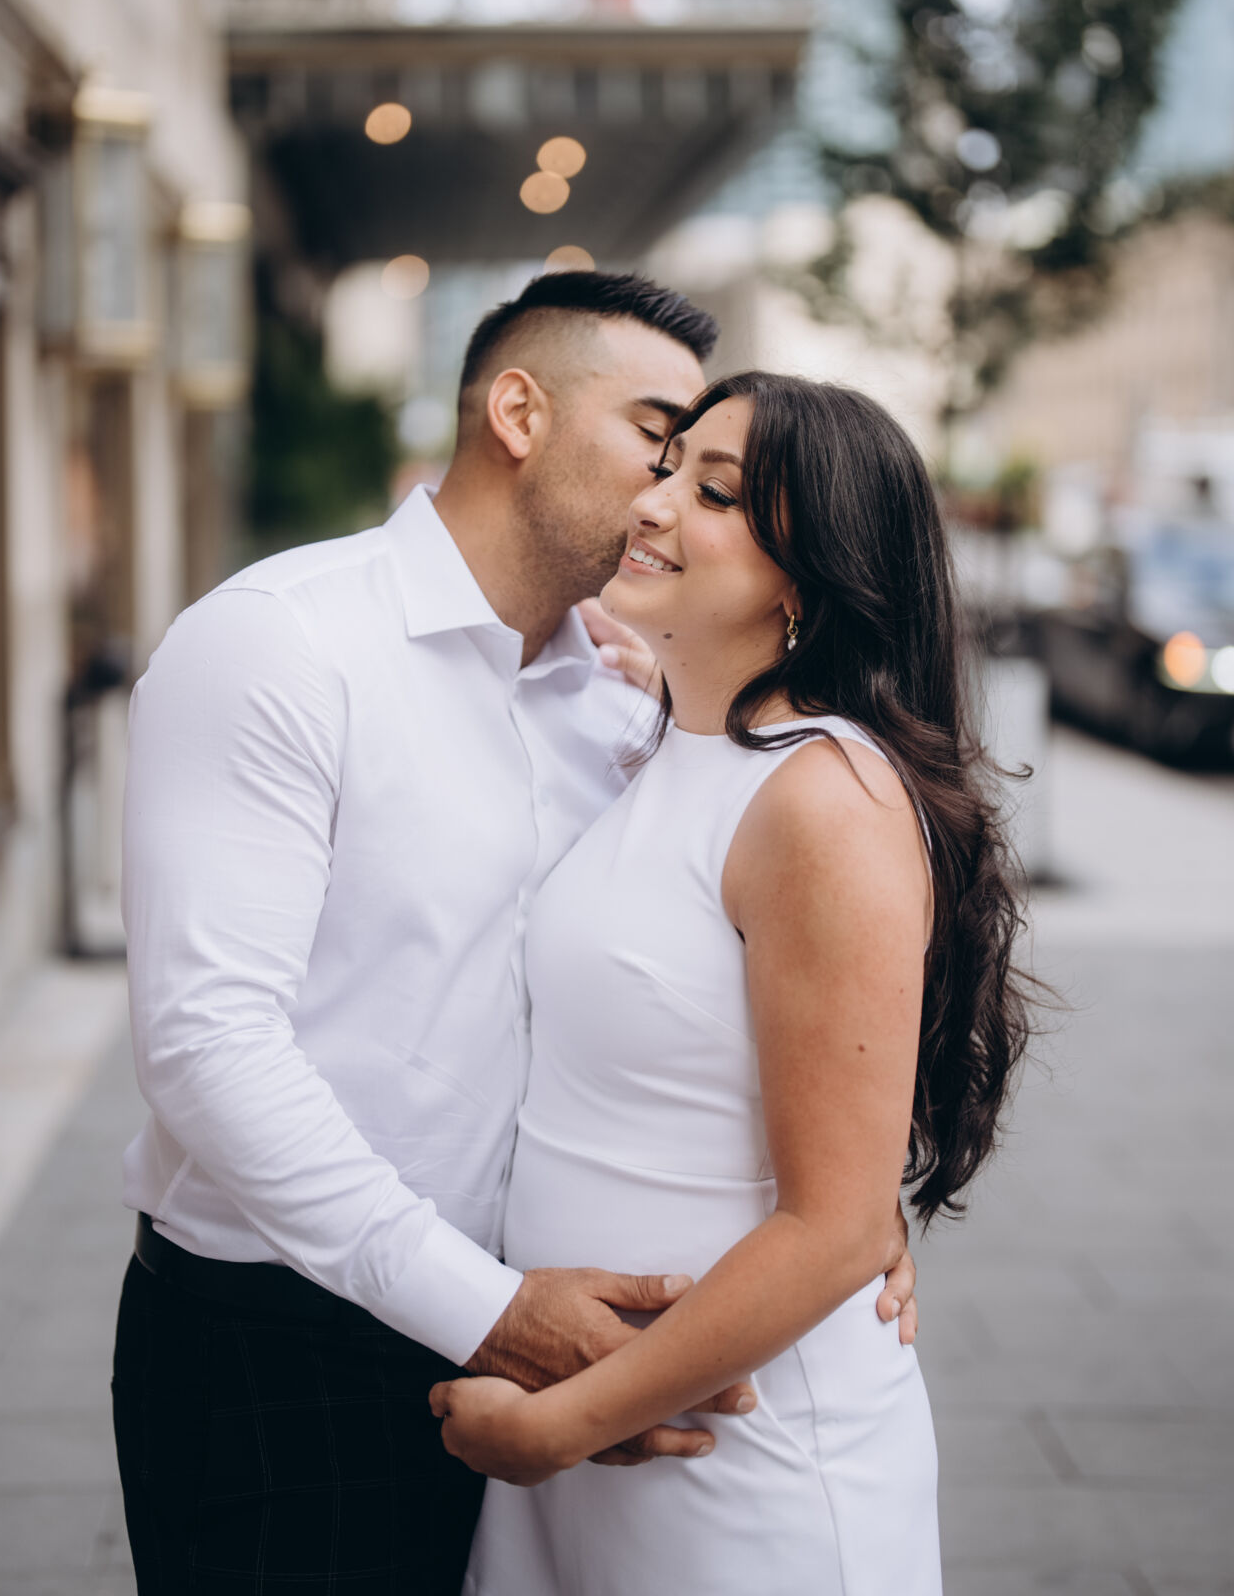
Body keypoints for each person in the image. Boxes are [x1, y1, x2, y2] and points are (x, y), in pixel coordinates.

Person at [112, 277, 918, 1596]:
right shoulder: (281, 644)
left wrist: (848, 1201)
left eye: (699, 474)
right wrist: (485, 1312)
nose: (662, 492)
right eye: (656, 441)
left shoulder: (627, 702)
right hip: (290, 1346)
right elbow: (206, 1047)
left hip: (572, 1347)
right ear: (519, 412)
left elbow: (751, 977)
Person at [433, 373, 1032, 1596]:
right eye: (666, 468)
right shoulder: (675, 742)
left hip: (735, 1456)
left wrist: (555, 1429)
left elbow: (835, 1227)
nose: (652, 504)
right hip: (593, 1428)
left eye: (713, 494)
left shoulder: (824, 797)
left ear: (803, 581)